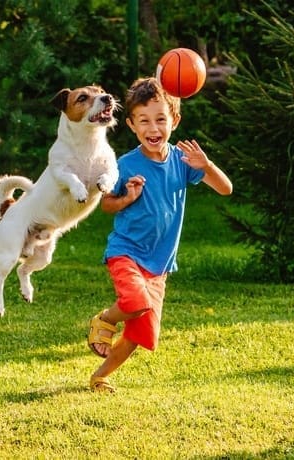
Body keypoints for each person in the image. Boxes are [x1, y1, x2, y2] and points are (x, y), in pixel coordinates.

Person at [87, 77, 233, 392]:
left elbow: (225, 188)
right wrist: (127, 198)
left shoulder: (183, 162)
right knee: (135, 301)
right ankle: (105, 320)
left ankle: (101, 376)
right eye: (144, 121)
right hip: (126, 251)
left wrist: (206, 165)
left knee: (141, 333)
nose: (153, 128)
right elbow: (107, 205)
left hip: (159, 264)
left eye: (161, 119)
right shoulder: (125, 164)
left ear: (174, 121)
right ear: (131, 125)